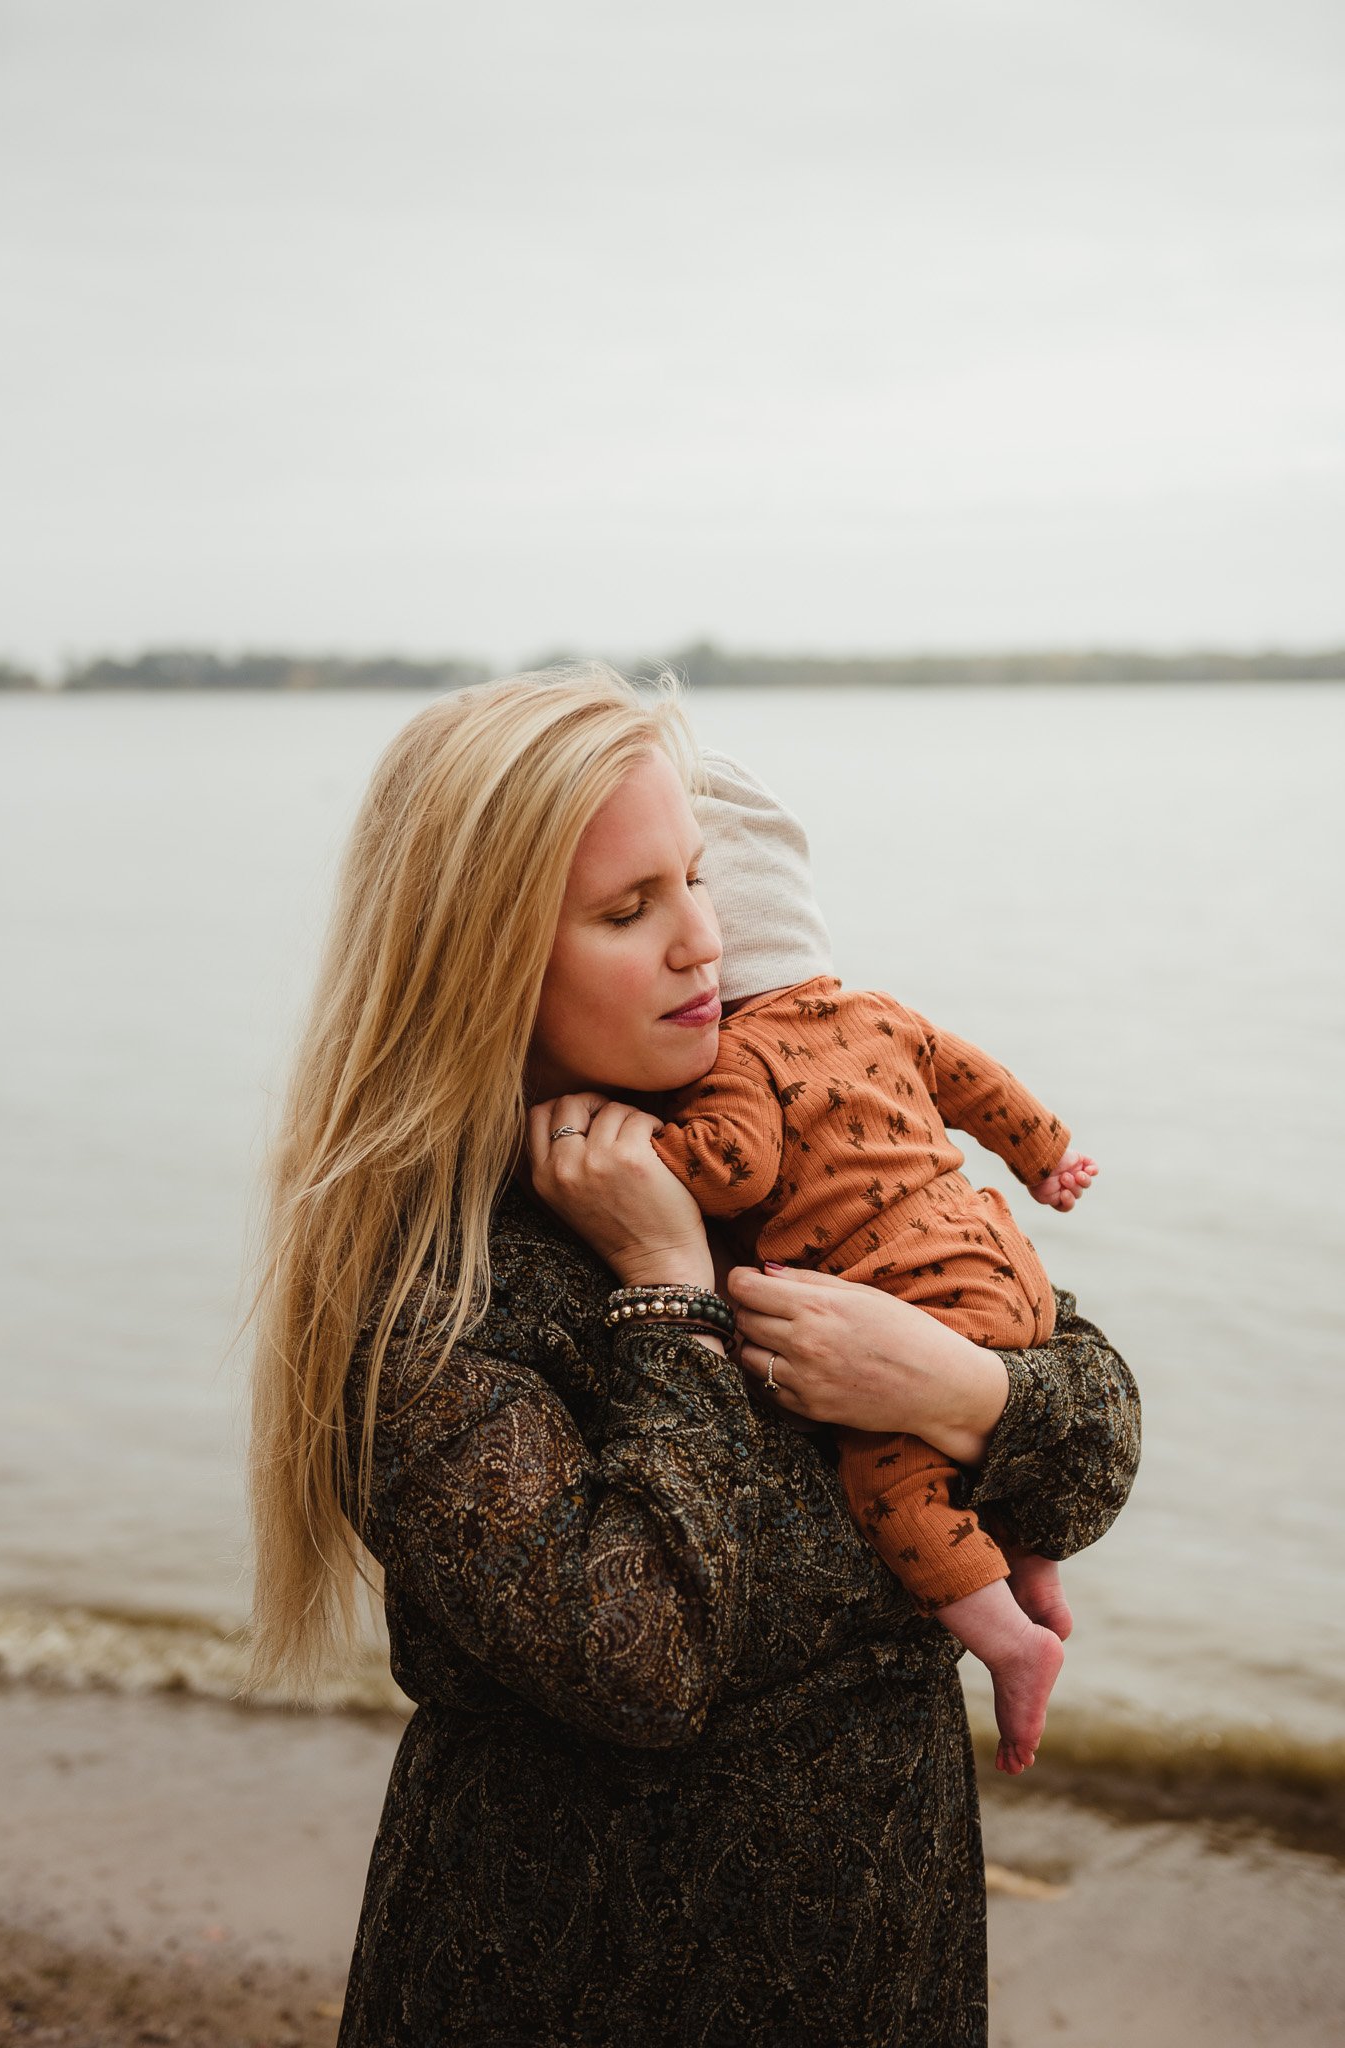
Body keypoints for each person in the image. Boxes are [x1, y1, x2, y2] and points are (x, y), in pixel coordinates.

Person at [246, 664, 1140, 2046]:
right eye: (626, 909)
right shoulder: (433, 1291)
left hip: (883, 1960)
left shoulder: (802, 1149)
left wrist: (948, 1389)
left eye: (696, 884)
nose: (699, 946)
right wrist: (665, 1291)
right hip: (573, 1980)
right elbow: (640, 1660)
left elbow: (1087, 1457)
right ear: (481, 965)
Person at [654, 754, 1104, 1774]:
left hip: (922, 1294)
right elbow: (977, 1083)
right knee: (989, 1441)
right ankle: (1034, 1568)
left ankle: (1009, 1639)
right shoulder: (879, 1012)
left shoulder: (739, 1055)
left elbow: (734, 1170)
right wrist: (1046, 1153)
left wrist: (647, 1157)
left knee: (893, 1478)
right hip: (998, 1255)